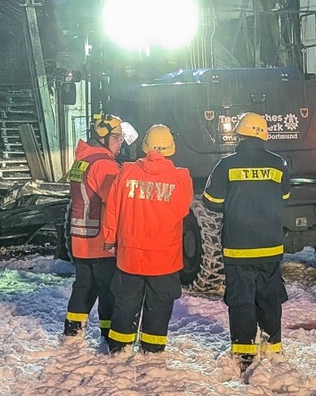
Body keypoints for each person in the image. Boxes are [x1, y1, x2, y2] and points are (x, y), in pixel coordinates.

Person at [202, 111, 291, 372]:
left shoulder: (226, 165)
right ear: (263, 135)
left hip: (238, 248)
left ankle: (244, 353)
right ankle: (273, 345)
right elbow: (284, 196)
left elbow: (211, 202)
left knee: (241, 300)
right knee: (270, 298)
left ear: (240, 134)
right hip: (271, 247)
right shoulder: (278, 164)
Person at [101, 124, 194, 355]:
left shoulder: (126, 172)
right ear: (171, 147)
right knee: (160, 303)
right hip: (165, 257)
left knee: (125, 301)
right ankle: (152, 350)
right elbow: (183, 210)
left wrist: (110, 239)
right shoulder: (181, 177)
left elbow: (112, 209)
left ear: (145, 146)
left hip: (130, 255)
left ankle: (120, 348)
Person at [63, 114, 129, 340]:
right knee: (109, 292)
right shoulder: (104, 165)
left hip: (81, 239)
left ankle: (72, 332)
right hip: (100, 242)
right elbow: (116, 202)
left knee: (83, 288)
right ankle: (108, 334)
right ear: (104, 138)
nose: (121, 142)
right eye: (117, 138)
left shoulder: (83, 160)